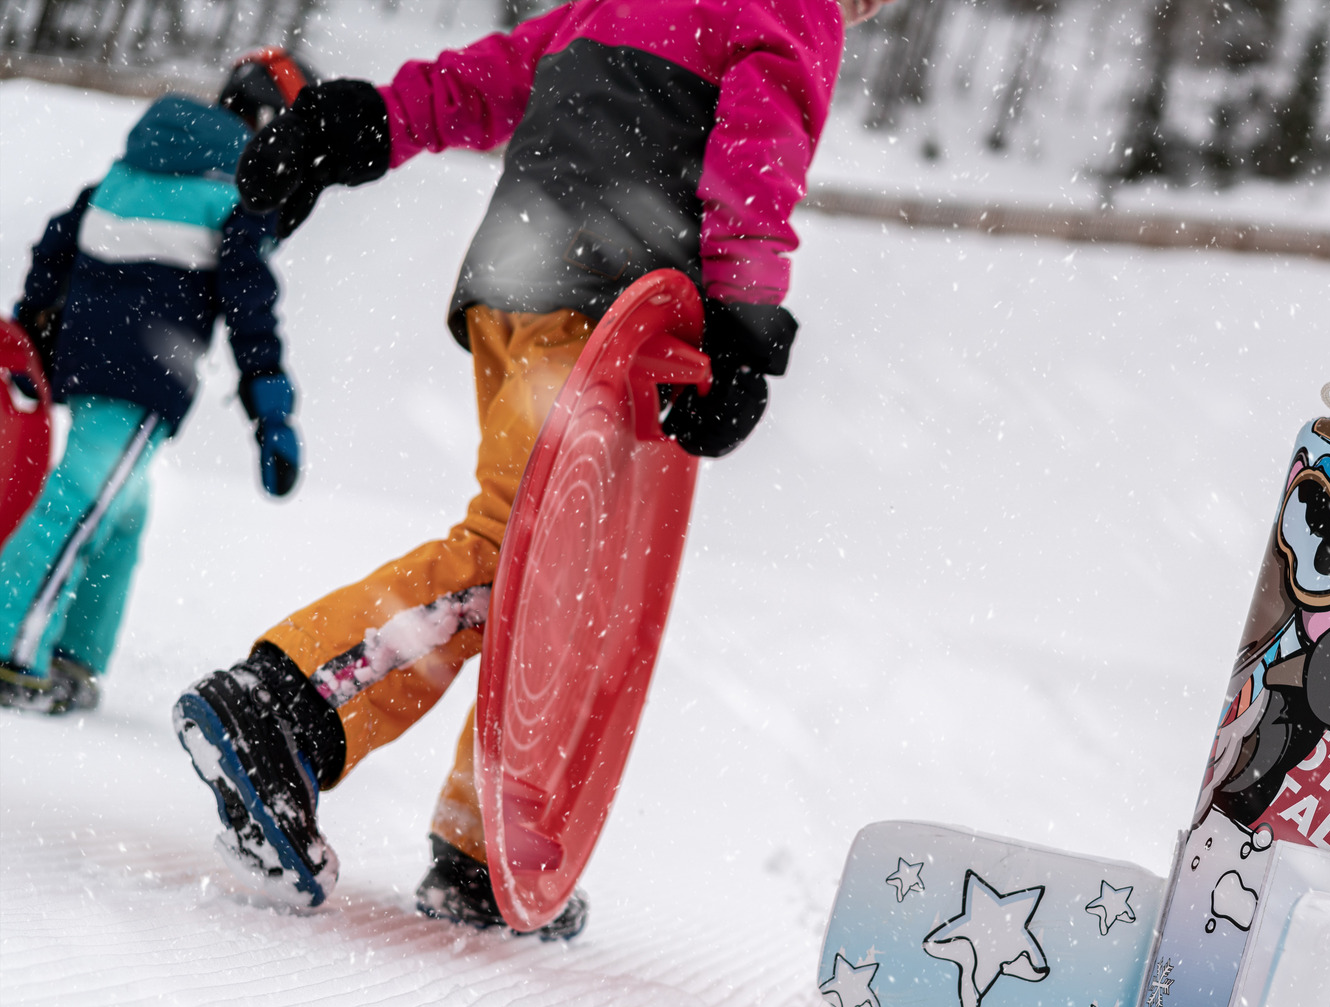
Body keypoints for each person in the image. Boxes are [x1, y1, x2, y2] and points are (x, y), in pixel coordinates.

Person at [171, 0, 898, 940]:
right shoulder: (794, 8)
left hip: (516, 288)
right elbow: (760, 154)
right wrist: (746, 323)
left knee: (568, 586)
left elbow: (489, 79)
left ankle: (484, 848)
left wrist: (370, 123)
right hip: (604, 308)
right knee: (522, 558)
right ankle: (289, 706)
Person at [0, 49, 312, 715]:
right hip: (141, 371)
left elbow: (57, 243)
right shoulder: (236, 193)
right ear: (268, 123)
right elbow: (250, 303)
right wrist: (272, 412)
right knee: (81, 500)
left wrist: (32, 334)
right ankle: (11, 650)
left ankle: (74, 657)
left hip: (92, 359)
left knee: (123, 510)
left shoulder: (134, 168)